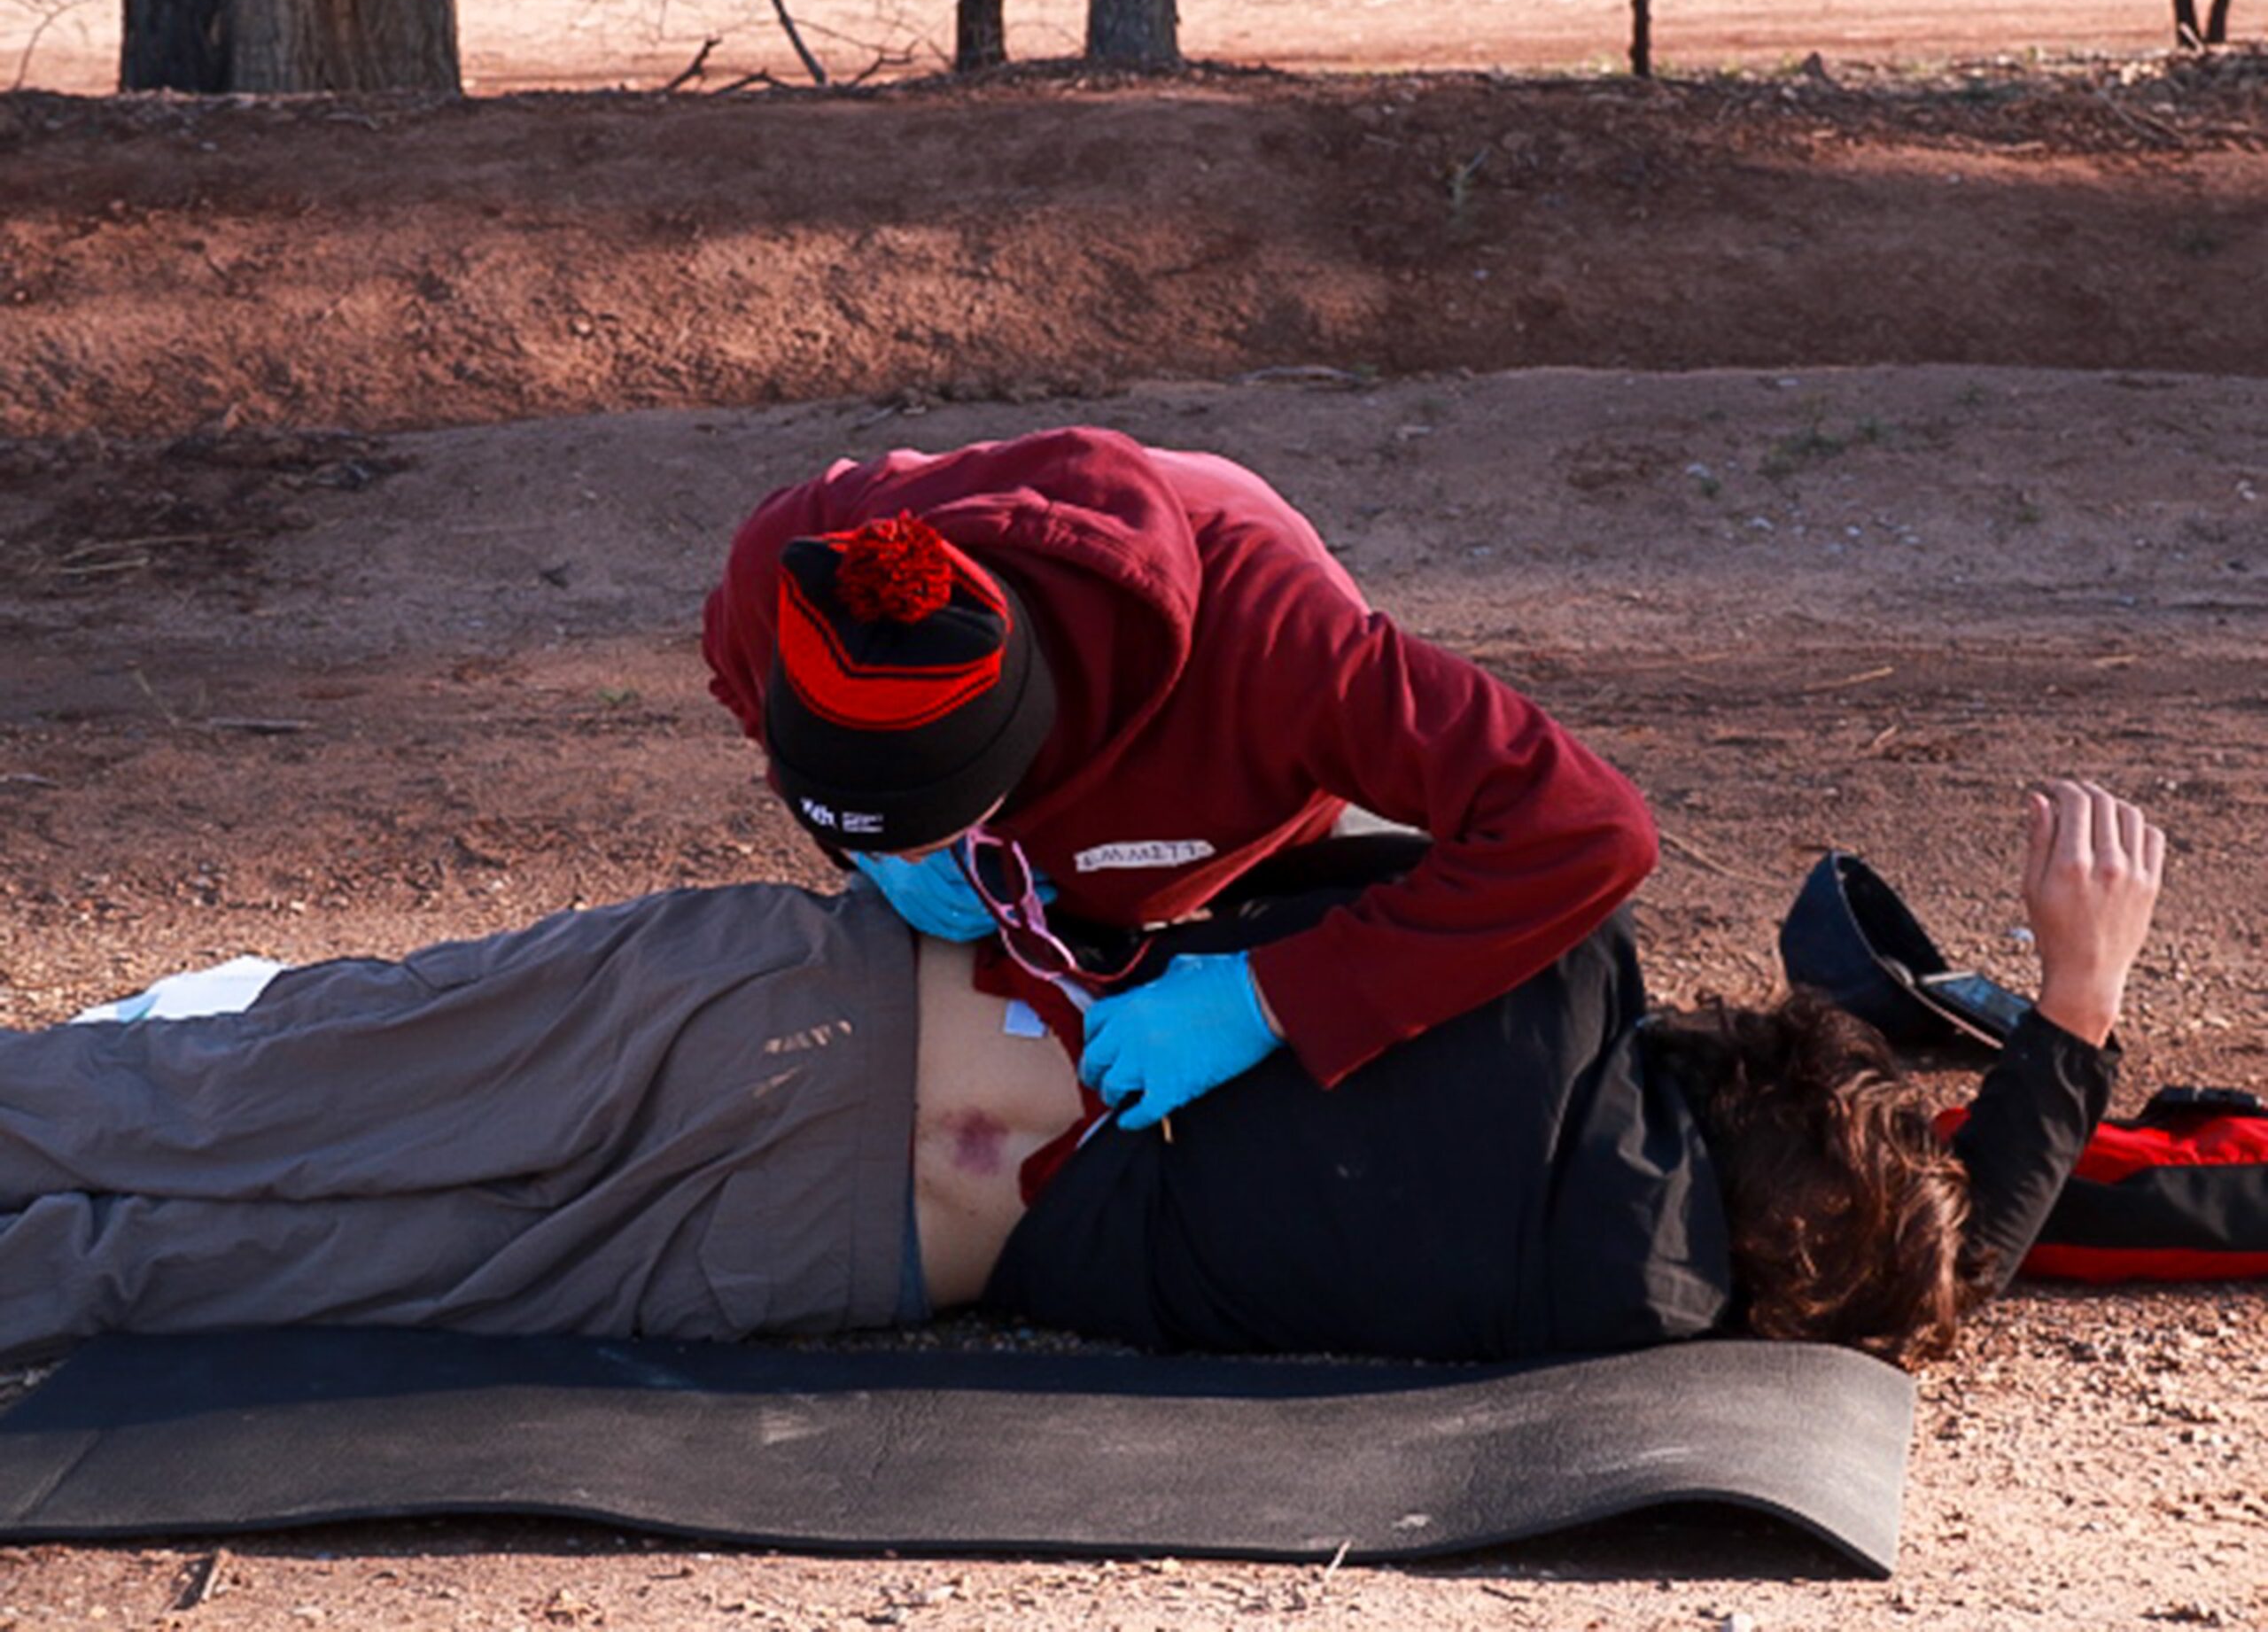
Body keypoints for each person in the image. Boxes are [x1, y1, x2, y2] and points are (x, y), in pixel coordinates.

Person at [0, 780, 2159, 1371]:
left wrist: (2068, 995)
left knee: (263, 1094)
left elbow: (1206, 830)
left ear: (1767, 1065)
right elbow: (1936, 1281)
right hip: (852, 1248)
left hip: (838, 1015)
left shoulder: (1546, 962)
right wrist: (2053, 1048)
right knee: (286, 1280)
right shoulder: (1613, 1323)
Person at [701, 426, 1658, 1129]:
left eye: (936, 824)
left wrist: (1270, 997)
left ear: (1023, 745)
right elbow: (737, 672)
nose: (913, 854)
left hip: (1263, 808)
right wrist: (874, 856)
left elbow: (1587, 830)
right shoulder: (798, 570)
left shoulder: (1282, 649)